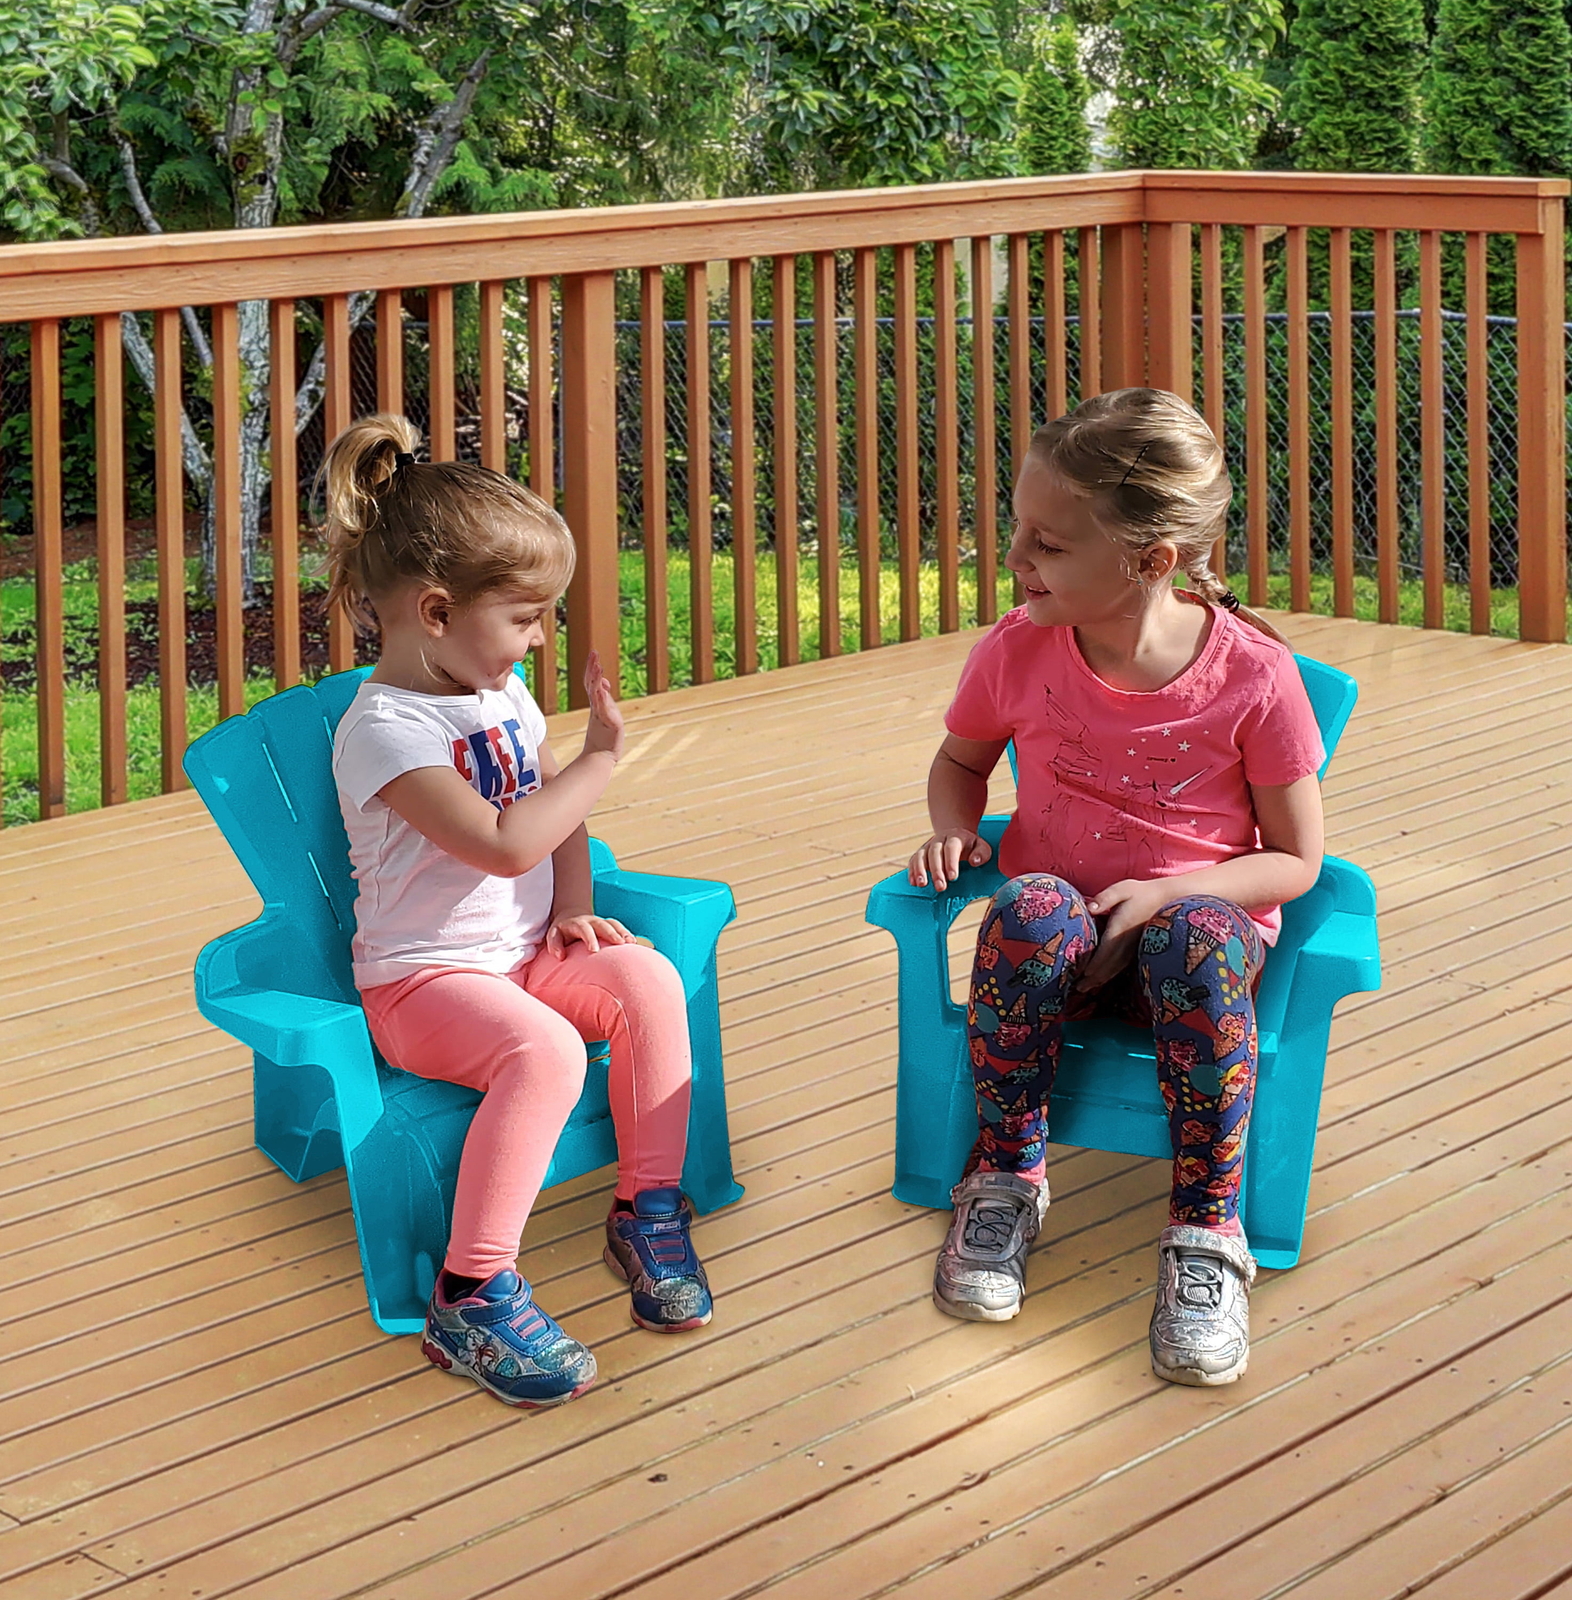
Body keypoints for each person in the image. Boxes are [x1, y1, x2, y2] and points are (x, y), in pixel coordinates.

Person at [907, 388, 1325, 1387]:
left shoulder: (1255, 677)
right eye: (1019, 529)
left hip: (1192, 963)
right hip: (1056, 954)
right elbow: (961, 762)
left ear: (1150, 561)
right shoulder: (1017, 648)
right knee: (1029, 909)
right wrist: (955, 826)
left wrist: (1169, 895)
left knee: (1197, 935)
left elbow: (1296, 861)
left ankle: (1207, 1232)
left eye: (1047, 544)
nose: (1014, 557)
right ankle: (1005, 1174)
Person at [325, 413, 710, 1410]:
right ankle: (471, 1292)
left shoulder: (500, 695)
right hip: (424, 981)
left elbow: (549, 815)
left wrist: (574, 906)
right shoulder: (385, 732)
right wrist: (601, 760)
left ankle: (647, 1206)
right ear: (437, 611)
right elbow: (501, 841)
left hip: (525, 954)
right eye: (527, 616)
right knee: (544, 1051)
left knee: (648, 979)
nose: (540, 636)